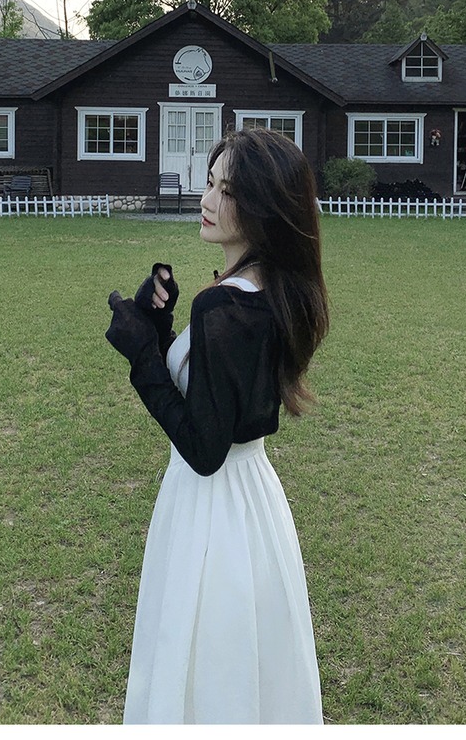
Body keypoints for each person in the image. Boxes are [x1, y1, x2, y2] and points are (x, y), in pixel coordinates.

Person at [105, 128, 330, 724]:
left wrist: (142, 354)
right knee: (248, 663)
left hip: (208, 508)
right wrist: (161, 327)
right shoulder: (270, 289)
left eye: (227, 191)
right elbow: (221, 400)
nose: (208, 199)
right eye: (209, 182)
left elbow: (204, 447)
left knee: (202, 664)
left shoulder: (224, 306)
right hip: (253, 501)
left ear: (262, 205)